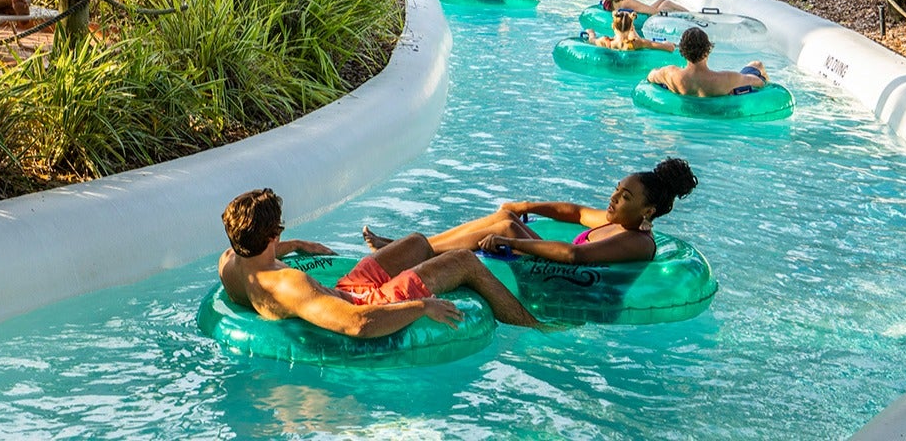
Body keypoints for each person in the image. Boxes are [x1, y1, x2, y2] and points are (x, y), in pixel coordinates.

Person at [217, 188, 542, 338]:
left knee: (415, 242)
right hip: (367, 303)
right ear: (272, 234)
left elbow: (258, 251)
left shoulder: (229, 262)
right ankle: (535, 328)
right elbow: (357, 324)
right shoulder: (290, 285)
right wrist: (421, 308)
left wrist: (298, 244)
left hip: (344, 289)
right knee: (463, 261)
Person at [362, 158, 699, 266]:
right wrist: (526, 206)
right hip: (556, 268)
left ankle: (414, 251)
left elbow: (572, 254)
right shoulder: (617, 220)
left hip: (568, 282)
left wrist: (516, 243)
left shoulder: (638, 242)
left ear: (648, 211)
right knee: (508, 218)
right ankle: (414, 246)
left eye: (624, 196)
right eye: (616, 189)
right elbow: (578, 213)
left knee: (508, 229)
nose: (613, 199)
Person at [647, 27, 768, 97]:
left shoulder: (670, 74)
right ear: (707, 51)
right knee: (757, 65)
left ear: (683, 52)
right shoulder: (727, 78)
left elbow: (651, 76)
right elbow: (760, 83)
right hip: (720, 108)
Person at [585, 9, 674, 52]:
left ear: (613, 26)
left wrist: (591, 33)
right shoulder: (636, 43)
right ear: (631, 28)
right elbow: (669, 48)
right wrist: (668, 44)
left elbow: (592, 41)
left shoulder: (604, 41)